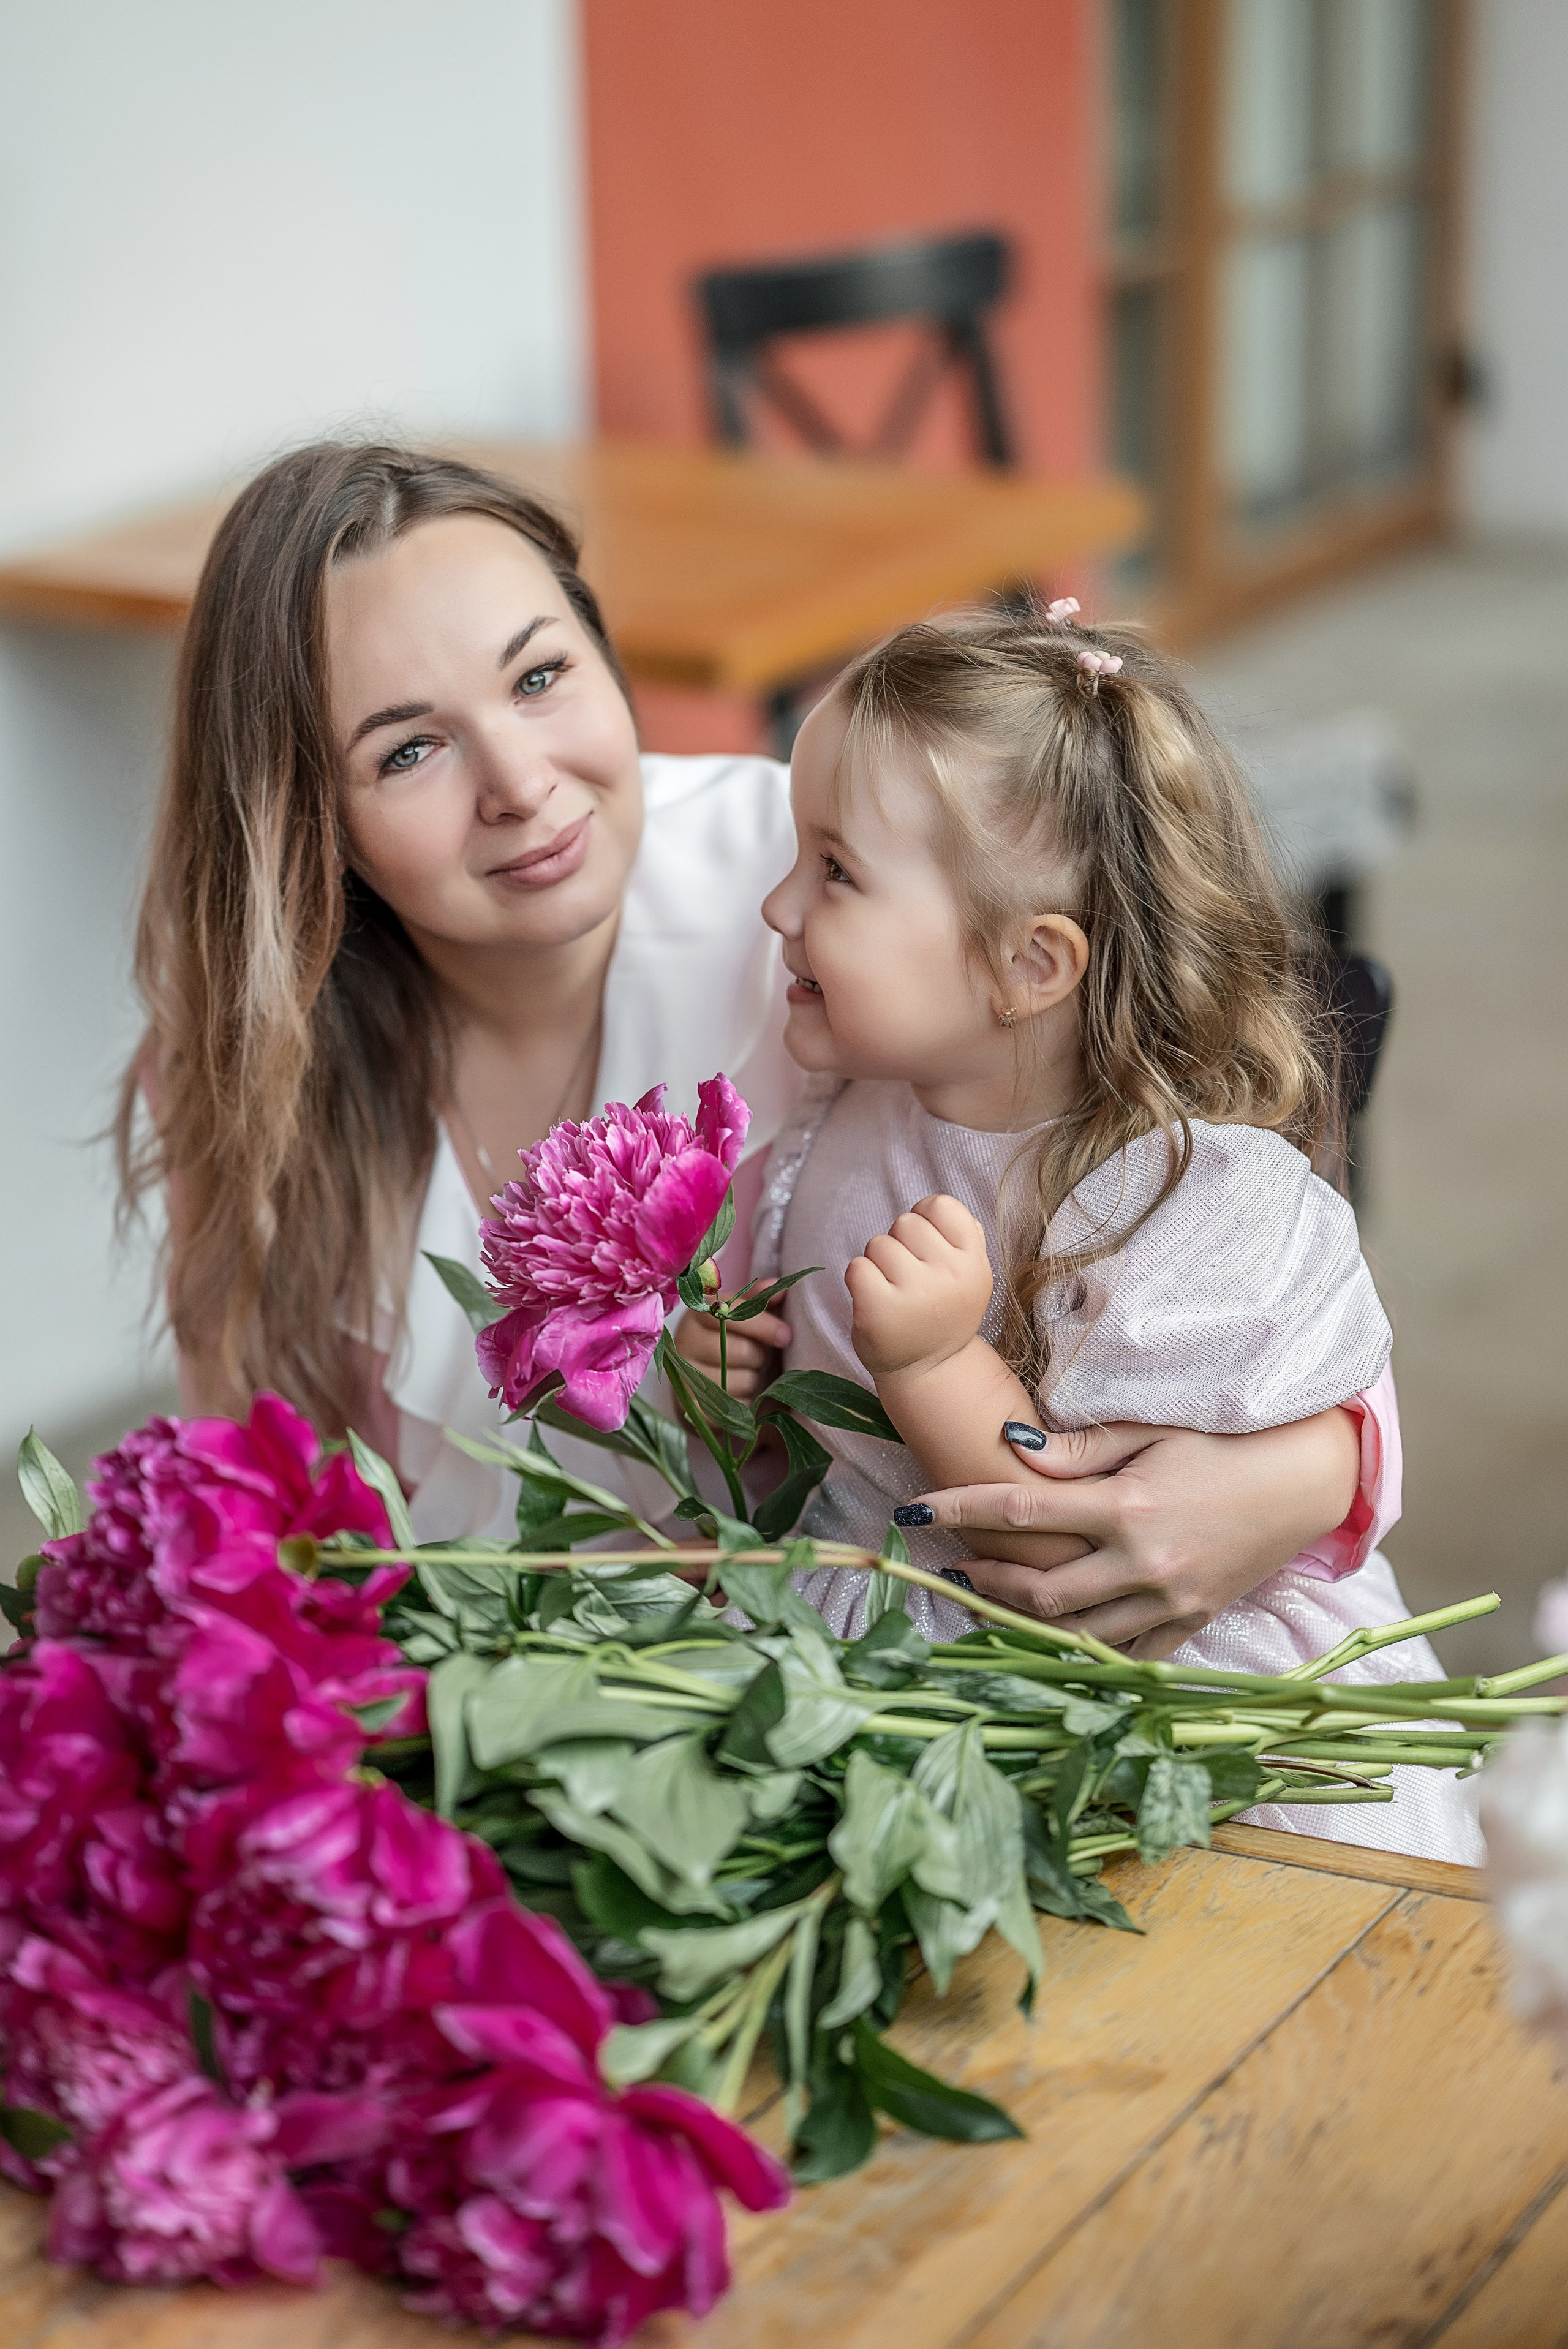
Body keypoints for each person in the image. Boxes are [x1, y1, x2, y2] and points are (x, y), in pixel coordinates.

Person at [118, 439, 1370, 1650]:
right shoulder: (250, 1064)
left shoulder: (837, 900)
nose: (518, 781)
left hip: (849, 1656)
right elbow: (255, 1500)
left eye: (540, 676)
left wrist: (1313, 1470)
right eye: (408, 749)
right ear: (308, 821)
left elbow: (1171, 1208)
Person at [680, 603, 1474, 1862]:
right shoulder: (828, 1129)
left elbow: (1070, 1564)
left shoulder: (1185, 1205)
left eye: (833, 871)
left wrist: (937, 1365)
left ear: (1027, 965)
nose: (777, 907)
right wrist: (727, 1383)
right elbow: (806, 1464)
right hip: (894, 1682)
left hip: (1162, 1729)